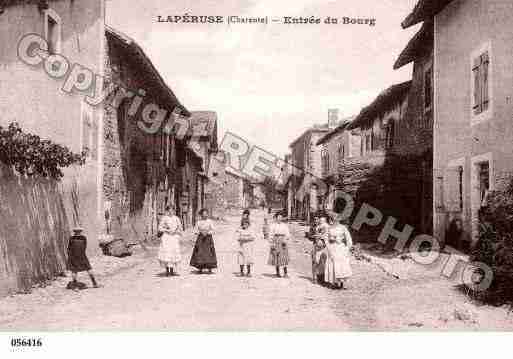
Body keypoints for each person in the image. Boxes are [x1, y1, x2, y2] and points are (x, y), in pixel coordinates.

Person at [324, 215, 353, 289]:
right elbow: (326, 238)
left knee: (342, 265)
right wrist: (328, 246)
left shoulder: (343, 228)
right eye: (333, 219)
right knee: (333, 263)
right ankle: (334, 282)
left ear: (339, 220)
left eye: (337, 219)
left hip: (341, 248)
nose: (335, 220)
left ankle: (342, 283)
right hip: (333, 247)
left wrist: (347, 248)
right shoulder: (329, 228)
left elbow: (348, 238)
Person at [190, 209, 218, 274]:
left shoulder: (210, 221)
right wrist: (200, 232)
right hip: (200, 239)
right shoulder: (198, 222)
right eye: (203, 214)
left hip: (208, 239)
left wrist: (208, 232)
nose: (205, 215)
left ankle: (210, 267)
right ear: (201, 215)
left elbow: (213, 230)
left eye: (206, 214)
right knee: (200, 252)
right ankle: (200, 268)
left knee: (209, 252)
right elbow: (195, 230)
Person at [157, 206, 183, 276]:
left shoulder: (176, 218)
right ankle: (167, 270)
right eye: (169, 211)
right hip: (166, 237)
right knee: (166, 253)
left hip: (174, 237)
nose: (171, 212)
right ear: (167, 211)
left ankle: (171, 270)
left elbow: (180, 228)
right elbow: (160, 228)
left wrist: (176, 231)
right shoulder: (164, 218)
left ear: (174, 211)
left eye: (172, 210)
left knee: (173, 252)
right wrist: (166, 230)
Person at [267, 211, 291, 278]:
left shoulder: (285, 225)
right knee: (276, 256)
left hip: (283, 241)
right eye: (278, 217)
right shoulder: (273, 225)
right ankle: (277, 272)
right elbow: (270, 235)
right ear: (276, 218)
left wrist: (285, 240)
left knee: (284, 257)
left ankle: (285, 273)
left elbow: (288, 234)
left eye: (281, 217)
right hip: (276, 241)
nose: (279, 218)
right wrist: (271, 243)